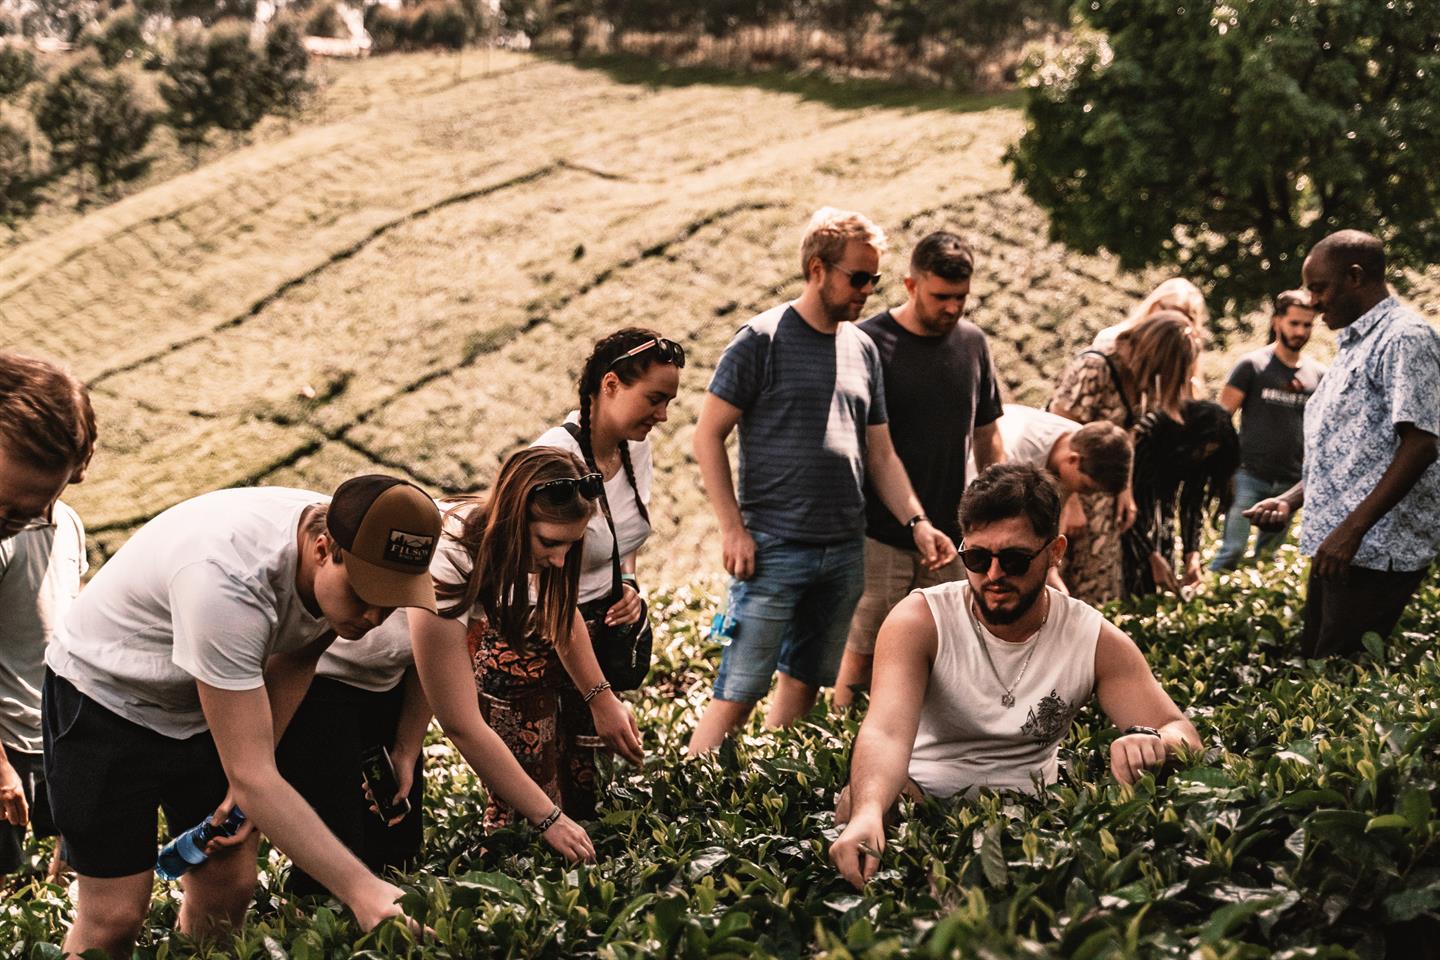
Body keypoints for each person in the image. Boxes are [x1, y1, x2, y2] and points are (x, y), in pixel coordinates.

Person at [43, 475, 442, 957]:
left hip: (204, 698)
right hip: (104, 701)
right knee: (115, 917)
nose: (374, 618)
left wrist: (250, 779)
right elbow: (254, 778)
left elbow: (297, 657)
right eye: (363, 595)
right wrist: (364, 891)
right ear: (322, 550)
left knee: (228, 885)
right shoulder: (226, 583)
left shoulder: (347, 541)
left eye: (390, 600)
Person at [827, 463, 1201, 890]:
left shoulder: (1092, 636)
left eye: (1014, 560)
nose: (993, 575)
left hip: (1035, 820)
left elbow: (1180, 730)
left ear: (1055, 552)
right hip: (919, 801)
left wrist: (1152, 740)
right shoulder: (920, 619)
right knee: (857, 804)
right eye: (976, 558)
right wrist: (868, 813)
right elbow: (886, 731)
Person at [687, 208, 957, 754]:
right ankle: (685, 792)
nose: (867, 291)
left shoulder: (862, 349)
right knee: (737, 693)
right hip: (773, 548)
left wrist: (918, 522)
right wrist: (733, 530)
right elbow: (707, 436)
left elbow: (881, 454)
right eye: (858, 278)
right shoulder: (760, 340)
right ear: (817, 269)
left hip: (843, 550)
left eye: (873, 279)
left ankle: (773, 785)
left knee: (806, 682)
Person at [408, 447, 644, 839]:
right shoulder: (449, 557)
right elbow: (459, 722)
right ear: (514, 517)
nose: (559, 560)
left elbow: (559, 613)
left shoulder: (517, 548)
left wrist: (602, 699)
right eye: (549, 542)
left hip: (404, 673)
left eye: (570, 545)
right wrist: (549, 818)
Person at [1247, 230, 1440, 658]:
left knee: (1338, 673)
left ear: (1355, 277)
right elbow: (1352, 450)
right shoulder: (1355, 344)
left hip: (1372, 550)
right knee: (1317, 666)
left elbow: (1421, 445)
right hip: (1339, 548)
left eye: (1319, 288)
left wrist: (1351, 532)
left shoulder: (1405, 338)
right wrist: (1290, 500)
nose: (1312, 302)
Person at [834, 231, 1005, 709]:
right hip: (878, 536)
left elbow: (988, 435)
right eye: (941, 296)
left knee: (947, 656)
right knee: (864, 655)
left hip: (950, 536)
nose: (952, 308)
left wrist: (997, 510)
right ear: (910, 285)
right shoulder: (869, 343)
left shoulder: (973, 343)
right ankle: (837, 739)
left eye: (961, 298)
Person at [529, 327, 683, 816]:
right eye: (654, 399)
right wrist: (599, 696)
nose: (663, 415)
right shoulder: (555, 460)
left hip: (597, 641)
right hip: (545, 641)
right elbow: (549, 592)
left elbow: (622, 538)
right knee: (540, 800)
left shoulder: (634, 447)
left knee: (592, 798)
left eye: (668, 402)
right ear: (611, 384)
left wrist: (628, 583)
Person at [0, 352, 96, 878]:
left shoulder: (68, 525)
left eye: (26, 506)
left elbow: (69, 633)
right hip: (5, 744)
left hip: (49, 735)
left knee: (53, 884)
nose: (9, 517)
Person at [274, 612, 429, 895]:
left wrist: (407, 749)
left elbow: (438, 658)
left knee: (398, 855)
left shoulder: (463, 590)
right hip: (318, 681)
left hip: (391, 685)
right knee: (331, 868)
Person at [1048, 311, 1198, 604]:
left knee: (1097, 590)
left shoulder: (1140, 381)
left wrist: (1124, 492)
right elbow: (1060, 429)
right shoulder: (1095, 367)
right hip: (1070, 488)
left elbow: (1127, 434)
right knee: (1057, 578)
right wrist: (1071, 502)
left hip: (1103, 494)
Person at [1210, 291, 1324, 570]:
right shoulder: (1252, 365)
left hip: (1290, 482)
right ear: (1277, 322)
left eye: (1307, 325)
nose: (1300, 331)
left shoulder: (1318, 375)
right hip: (1248, 475)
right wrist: (1224, 471)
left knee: (1267, 561)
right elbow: (1220, 422)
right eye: (1294, 323)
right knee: (1231, 551)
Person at [1122, 401, 1239, 596]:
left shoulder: (1201, 456)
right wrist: (1151, 555)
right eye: (1202, 449)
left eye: (1210, 452)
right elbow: (1131, 503)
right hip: (1127, 519)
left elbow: (1192, 504)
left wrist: (1192, 554)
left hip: (1159, 521)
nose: (1203, 455)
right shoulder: (1151, 433)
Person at [980, 403, 1133, 543]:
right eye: (1086, 487)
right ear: (1073, 459)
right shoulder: (1014, 458)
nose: (1088, 495)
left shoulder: (1082, 439)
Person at [1091, 277, 1209, 352]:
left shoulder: (1184, 355)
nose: (1172, 321)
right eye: (1167, 311)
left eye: (1184, 317)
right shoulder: (1111, 339)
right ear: (1153, 304)